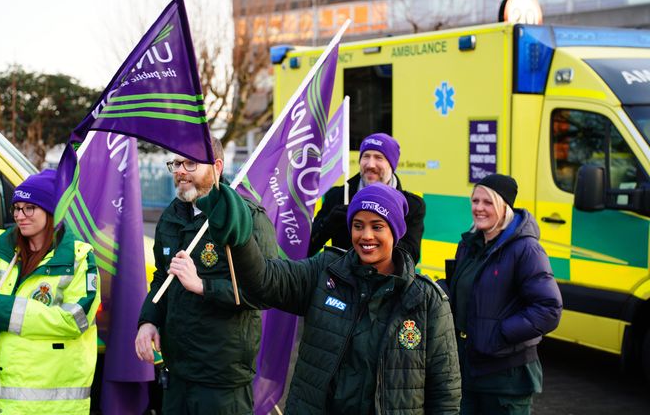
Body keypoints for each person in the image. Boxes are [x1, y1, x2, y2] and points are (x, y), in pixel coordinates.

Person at [190, 182, 461, 414]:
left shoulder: (427, 300)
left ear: (395, 232)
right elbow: (265, 280)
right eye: (358, 225)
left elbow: (445, 394)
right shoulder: (324, 271)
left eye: (377, 226)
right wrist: (240, 241)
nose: (366, 236)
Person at [135, 138, 278, 414]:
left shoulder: (247, 218)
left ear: (217, 167)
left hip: (222, 378)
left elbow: (266, 291)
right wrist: (148, 320)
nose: (180, 171)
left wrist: (203, 286)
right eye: (176, 163)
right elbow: (161, 280)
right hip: (177, 371)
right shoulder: (170, 217)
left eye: (190, 163)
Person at [0, 170, 100, 415]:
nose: (20, 216)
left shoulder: (79, 258)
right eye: (16, 208)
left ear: (50, 212)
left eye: (29, 208)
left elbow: (76, 319)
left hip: (42, 404)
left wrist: (3, 310)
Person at [447, 174, 562, 415]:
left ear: (504, 206)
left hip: (507, 378)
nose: (479, 208)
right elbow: (466, 289)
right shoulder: (469, 245)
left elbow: (548, 308)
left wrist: (499, 334)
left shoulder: (526, 249)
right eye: (475, 201)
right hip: (468, 370)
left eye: (487, 202)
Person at [309, 133, 425, 263]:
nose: (370, 164)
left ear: (392, 165)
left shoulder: (412, 205)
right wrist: (328, 224)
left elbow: (412, 256)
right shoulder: (338, 196)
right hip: (341, 279)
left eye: (379, 158)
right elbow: (308, 248)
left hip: (387, 281)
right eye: (366, 156)